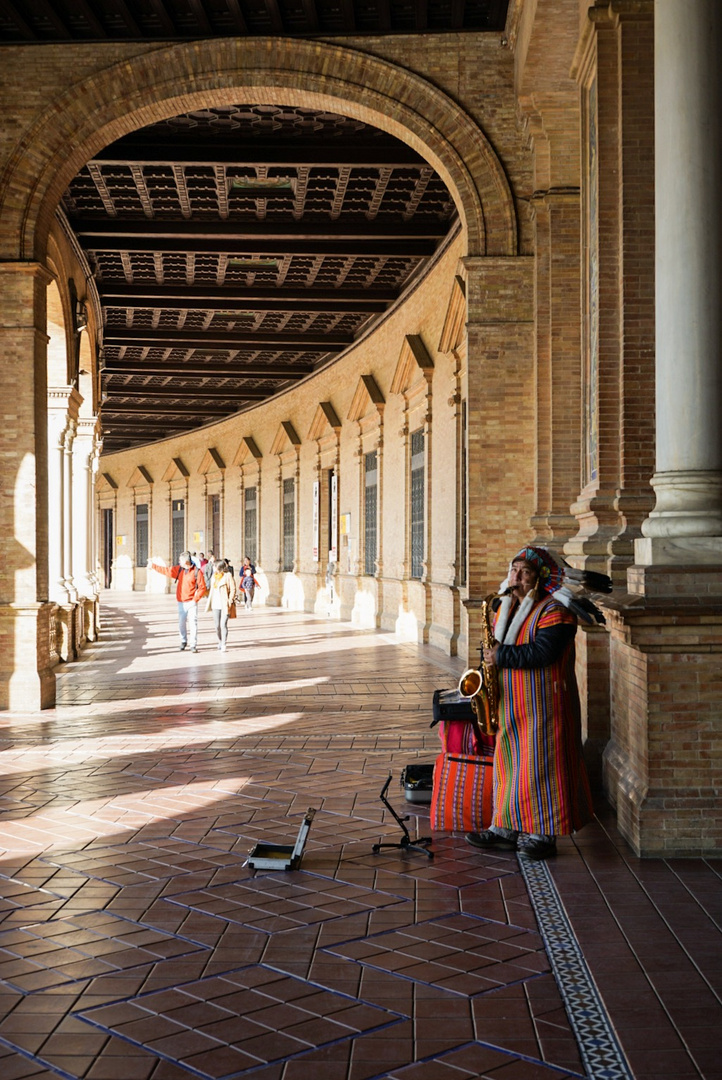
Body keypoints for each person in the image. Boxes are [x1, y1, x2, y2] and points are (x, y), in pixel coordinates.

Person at [466, 546, 599, 861]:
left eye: (524, 572)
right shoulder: (506, 607)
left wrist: (500, 655)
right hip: (511, 705)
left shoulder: (556, 610)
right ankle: (505, 828)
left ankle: (542, 834)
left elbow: (544, 653)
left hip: (544, 707)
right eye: (513, 570)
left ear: (539, 577)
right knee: (511, 767)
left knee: (542, 768)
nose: (516, 577)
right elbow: (495, 647)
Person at [150, 550, 207, 653]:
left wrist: (195, 599)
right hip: (181, 602)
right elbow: (167, 570)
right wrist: (154, 566)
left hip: (192, 602)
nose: (178, 562)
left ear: (185, 562)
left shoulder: (196, 572)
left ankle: (193, 644)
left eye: (180, 560)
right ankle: (183, 640)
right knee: (181, 623)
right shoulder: (179, 570)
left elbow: (202, 588)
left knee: (193, 623)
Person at [204, 559, 236, 651]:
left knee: (223, 624)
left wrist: (230, 600)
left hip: (224, 604)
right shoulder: (214, 576)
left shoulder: (228, 576)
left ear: (219, 567)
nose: (213, 567)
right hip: (215, 604)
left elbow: (233, 589)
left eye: (214, 566)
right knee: (217, 626)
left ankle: (224, 644)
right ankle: (220, 640)